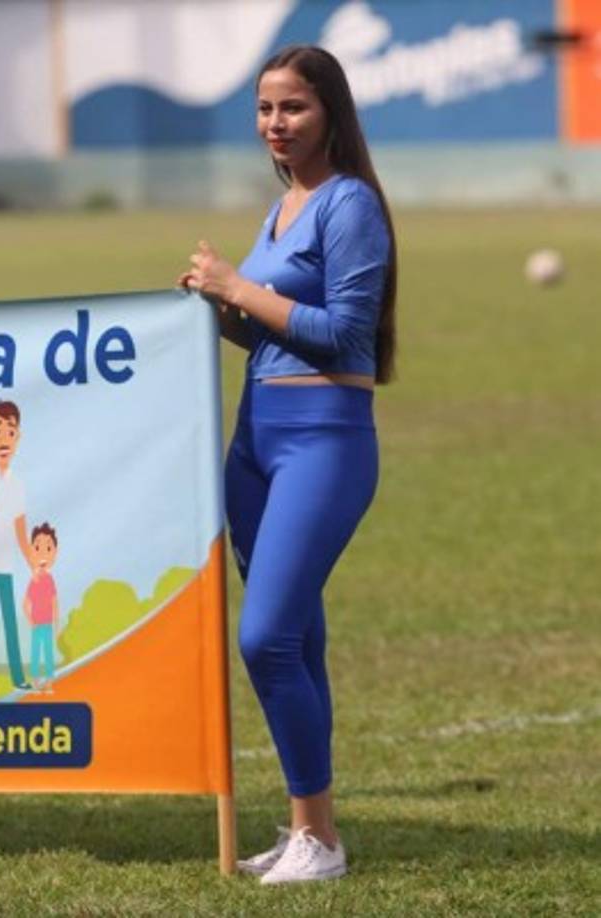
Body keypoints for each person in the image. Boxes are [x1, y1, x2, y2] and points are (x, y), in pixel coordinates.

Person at [179, 44, 397, 884]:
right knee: (298, 638)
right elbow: (272, 325)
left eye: (293, 108)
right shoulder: (283, 208)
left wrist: (238, 288)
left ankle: (324, 844)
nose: (276, 123)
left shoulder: (349, 205)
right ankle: (311, 829)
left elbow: (346, 335)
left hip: (323, 442)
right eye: (266, 109)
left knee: (266, 636)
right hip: (255, 441)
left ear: (330, 113)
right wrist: (216, 303)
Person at [0, 401, 33, 692]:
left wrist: (35, 564)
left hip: (5, 569)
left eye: (10, 431)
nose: (4, 438)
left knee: (11, 624)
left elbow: (20, 531)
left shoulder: (16, 485)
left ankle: (18, 677)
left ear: (18, 437)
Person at [24, 522, 59, 693]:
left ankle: (49, 683)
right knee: (36, 654)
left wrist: (56, 623)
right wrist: (31, 621)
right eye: (38, 548)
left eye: (49, 548)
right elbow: (25, 604)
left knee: (48, 654)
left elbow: (54, 602)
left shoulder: (50, 580)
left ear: (55, 552)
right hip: (37, 624)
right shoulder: (33, 581)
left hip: (47, 623)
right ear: (32, 551)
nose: (43, 553)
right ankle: (37, 684)